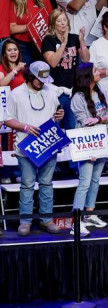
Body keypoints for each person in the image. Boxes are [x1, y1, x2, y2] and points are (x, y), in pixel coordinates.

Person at [4, 62, 66, 236]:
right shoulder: (16, 94)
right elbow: (7, 119)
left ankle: (46, 219)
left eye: (44, 79)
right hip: (26, 147)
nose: (42, 82)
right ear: (30, 76)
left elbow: (56, 117)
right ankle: (25, 221)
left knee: (47, 184)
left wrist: (59, 117)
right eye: (39, 79)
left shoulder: (51, 92)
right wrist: (25, 127)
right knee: (27, 185)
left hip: (48, 145)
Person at [68, 63, 108, 230]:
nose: (98, 72)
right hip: (87, 144)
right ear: (86, 76)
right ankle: (76, 221)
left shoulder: (101, 91)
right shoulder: (78, 98)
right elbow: (84, 122)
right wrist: (91, 150)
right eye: (94, 70)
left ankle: (90, 214)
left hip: (102, 142)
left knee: (95, 181)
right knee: (84, 182)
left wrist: (101, 119)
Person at [41, 8, 89, 115]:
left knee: (71, 125)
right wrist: (63, 44)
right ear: (53, 24)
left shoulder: (74, 38)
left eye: (64, 20)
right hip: (56, 90)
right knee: (56, 122)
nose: (63, 23)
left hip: (73, 90)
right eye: (59, 21)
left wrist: (82, 41)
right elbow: (52, 63)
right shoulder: (48, 40)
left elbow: (86, 59)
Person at [7, 0, 50, 65]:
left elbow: (51, 21)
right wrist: (31, 26)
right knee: (26, 74)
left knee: (42, 74)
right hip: (23, 46)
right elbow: (12, 28)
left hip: (43, 43)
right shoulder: (14, 3)